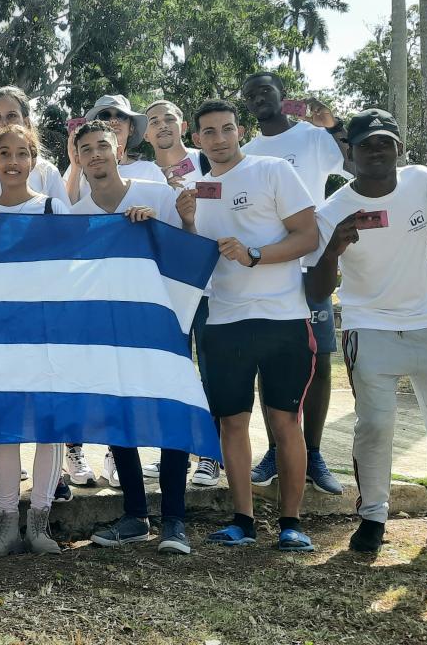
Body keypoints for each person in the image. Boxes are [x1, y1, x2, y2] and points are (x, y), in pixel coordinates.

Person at [303, 109, 427, 554]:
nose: (377, 150)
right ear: (352, 151)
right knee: (376, 427)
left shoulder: (423, 181)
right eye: (367, 144)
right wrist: (332, 251)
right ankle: (372, 518)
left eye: (385, 142)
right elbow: (315, 291)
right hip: (370, 327)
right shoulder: (332, 210)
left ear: (400, 148)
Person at [189, 100, 319, 552]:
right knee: (232, 424)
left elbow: (308, 235)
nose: (219, 138)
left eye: (227, 129)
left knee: (285, 423)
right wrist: (184, 217)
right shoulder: (194, 188)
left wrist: (256, 255)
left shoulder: (273, 171)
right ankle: (242, 521)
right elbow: (189, 248)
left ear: (239, 131)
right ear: (196, 139)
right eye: (209, 132)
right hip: (223, 320)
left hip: (283, 318)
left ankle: (291, 523)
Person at [65, 121, 199, 556]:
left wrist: (162, 226)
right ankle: (136, 516)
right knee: (119, 416)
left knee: (170, 416)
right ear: (78, 159)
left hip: (161, 325)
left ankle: (175, 521)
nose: (96, 155)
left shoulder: (156, 192)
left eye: (102, 145)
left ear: (118, 148)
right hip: (106, 331)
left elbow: (189, 255)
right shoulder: (75, 216)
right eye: (86, 149)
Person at [240, 72, 350, 497]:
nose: (259, 97)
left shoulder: (313, 137)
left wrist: (335, 127)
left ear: (283, 95)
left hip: (313, 262)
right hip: (269, 267)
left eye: (265, 89)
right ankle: (274, 450)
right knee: (272, 362)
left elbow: (358, 166)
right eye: (251, 94)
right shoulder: (246, 152)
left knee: (319, 360)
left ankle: (315, 453)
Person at [0, 124, 68, 557]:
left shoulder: (53, 209)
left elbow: (79, 265)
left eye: (22, 154)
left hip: (47, 336)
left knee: (50, 430)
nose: (13, 162)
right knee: (5, 431)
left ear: (34, 160)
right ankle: (6, 523)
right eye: (4, 153)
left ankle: (40, 523)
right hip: (0, 338)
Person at [135, 99, 221, 489]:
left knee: (212, 370)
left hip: (217, 284)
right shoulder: (142, 174)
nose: (162, 125)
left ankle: (209, 455)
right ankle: (177, 452)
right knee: (174, 370)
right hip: (171, 287)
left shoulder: (209, 162)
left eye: (169, 117)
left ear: (183, 125)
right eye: (153, 121)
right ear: (147, 133)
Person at [0, 86, 69, 212]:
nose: (3, 123)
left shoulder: (47, 171)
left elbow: (64, 222)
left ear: (26, 122)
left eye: (11, 115)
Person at [64, 94, 166, 204]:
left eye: (121, 115)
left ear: (131, 128)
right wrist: (76, 167)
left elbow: (164, 211)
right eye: (105, 116)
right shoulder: (78, 167)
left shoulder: (150, 171)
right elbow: (66, 212)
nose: (113, 121)